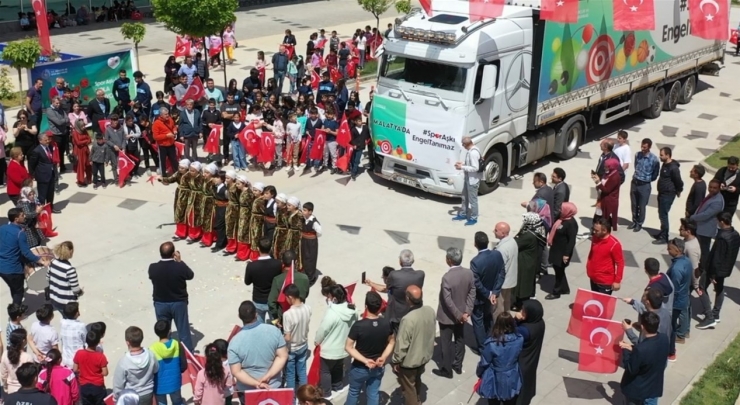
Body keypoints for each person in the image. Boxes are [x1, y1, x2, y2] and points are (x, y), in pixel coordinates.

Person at [228, 301, 288, 398]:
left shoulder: (234, 342)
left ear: (239, 316)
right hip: (273, 386)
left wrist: (256, 383)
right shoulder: (274, 331)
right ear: (256, 314)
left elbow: (236, 372)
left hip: (248, 392)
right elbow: (283, 356)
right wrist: (268, 376)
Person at [344, 291, 395, 405]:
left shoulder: (359, 326)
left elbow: (348, 347)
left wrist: (366, 360)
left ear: (366, 306)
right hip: (378, 366)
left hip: (360, 367)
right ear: (380, 307)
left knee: (353, 392)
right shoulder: (386, 323)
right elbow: (392, 342)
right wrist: (383, 357)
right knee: (373, 393)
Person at [434, 247, 475, 378]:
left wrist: (458, 315)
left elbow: (447, 300)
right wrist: (466, 312)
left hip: (448, 317)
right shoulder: (469, 273)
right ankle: (458, 365)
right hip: (462, 315)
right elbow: (472, 293)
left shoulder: (447, 277)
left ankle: (446, 369)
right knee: (459, 339)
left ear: (449, 260)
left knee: (446, 342)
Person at [391, 286, 435, 405]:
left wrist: (396, 360)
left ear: (407, 298)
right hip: (424, 356)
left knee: (409, 388)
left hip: (410, 361)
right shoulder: (430, 310)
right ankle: (418, 399)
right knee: (417, 379)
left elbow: (402, 344)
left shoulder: (408, 319)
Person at [696, 212, 740, 329]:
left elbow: (717, 257)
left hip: (714, 270)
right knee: (719, 288)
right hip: (725, 270)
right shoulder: (735, 234)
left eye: (718, 221)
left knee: (701, 288)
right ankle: (716, 313)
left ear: (722, 222)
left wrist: (712, 275)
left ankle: (709, 317)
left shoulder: (722, 237)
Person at [148, 242, 194, 351]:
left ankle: (166, 352)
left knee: (164, 332)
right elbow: (190, 275)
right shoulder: (179, 267)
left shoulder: (153, 268)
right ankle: (188, 355)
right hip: (178, 303)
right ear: (173, 253)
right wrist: (180, 261)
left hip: (160, 304)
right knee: (183, 331)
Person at [315, 283, 357, 399]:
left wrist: (317, 341)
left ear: (334, 298)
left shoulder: (331, 313)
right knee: (339, 367)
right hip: (344, 347)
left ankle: (327, 393)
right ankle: (338, 386)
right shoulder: (353, 310)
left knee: (326, 371)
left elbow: (323, 330)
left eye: (328, 297)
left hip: (329, 349)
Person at [619, 311, 669, 405]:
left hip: (638, 391)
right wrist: (633, 348)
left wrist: (626, 350)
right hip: (653, 388)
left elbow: (630, 368)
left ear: (642, 327)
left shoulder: (640, 349)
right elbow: (650, 352)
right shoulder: (664, 338)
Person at [0, 208, 47, 305]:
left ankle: (16, 308)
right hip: (13, 269)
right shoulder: (20, 233)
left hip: (2, 268)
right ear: (16, 219)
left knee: (14, 288)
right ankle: (16, 313)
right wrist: (40, 260)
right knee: (19, 293)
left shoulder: (2, 228)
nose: (24, 216)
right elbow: (26, 253)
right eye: (22, 215)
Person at [475, 312, 524, 405]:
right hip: (513, 374)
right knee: (511, 400)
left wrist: (479, 373)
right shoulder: (519, 339)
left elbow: (484, 362)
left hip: (495, 376)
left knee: (493, 401)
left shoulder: (492, 343)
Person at [374, 249, 425, 333]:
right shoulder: (420, 274)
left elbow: (388, 287)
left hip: (398, 315)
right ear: (413, 261)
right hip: (415, 313)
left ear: (400, 261)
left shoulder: (394, 275)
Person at [470, 232, 505, 351]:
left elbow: (477, 282)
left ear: (475, 244)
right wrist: (494, 292)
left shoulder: (475, 262)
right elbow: (501, 273)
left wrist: (489, 293)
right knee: (488, 316)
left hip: (480, 297)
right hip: (492, 296)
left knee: (478, 320)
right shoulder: (497, 254)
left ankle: (482, 347)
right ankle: (490, 339)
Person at [112, 326, 159, 405]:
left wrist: (117, 399)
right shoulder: (150, 355)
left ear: (127, 342)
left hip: (131, 397)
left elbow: (118, 385)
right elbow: (156, 369)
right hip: (148, 394)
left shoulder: (123, 361)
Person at [665, 238, 692, 361]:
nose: (667, 250)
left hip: (675, 302)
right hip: (683, 297)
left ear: (677, 250)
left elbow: (672, 288)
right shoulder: (686, 261)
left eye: (669, 248)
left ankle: (671, 351)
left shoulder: (676, 269)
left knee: (670, 327)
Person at [244, 237, 282, 323]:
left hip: (258, 300)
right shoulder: (277, 264)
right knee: (275, 325)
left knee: (259, 325)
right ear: (271, 249)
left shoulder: (252, 265)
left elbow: (247, 282)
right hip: (273, 300)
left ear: (258, 249)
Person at [689, 179, 725, 270]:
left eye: (714, 188)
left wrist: (693, 217)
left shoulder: (718, 201)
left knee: (704, 250)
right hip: (700, 226)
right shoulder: (711, 195)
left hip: (706, 229)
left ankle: (703, 269)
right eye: (710, 187)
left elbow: (706, 214)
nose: (711, 189)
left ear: (719, 188)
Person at [282, 284, 312, 392]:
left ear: (290, 297)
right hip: (303, 345)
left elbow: (288, 337)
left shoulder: (287, 315)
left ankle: (291, 400)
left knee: (290, 375)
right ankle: (305, 396)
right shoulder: (308, 308)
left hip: (292, 349)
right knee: (302, 372)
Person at [149, 320, 187, 405]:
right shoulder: (177, 344)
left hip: (159, 385)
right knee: (178, 402)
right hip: (175, 382)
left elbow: (151, 369)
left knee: (161, 403)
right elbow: (184, 365)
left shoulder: (152, 348)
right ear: (169, 331)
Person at [546, 202, 578, 299]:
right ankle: (564, 288)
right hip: (556, 249)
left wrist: (566, 254)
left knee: (559, 272)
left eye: (562, 209)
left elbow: (571, 241)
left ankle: (556, 292)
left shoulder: (571, 224)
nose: (560, 210)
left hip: (562, 253)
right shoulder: (562, 219)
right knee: (559, 270)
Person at [515, 301, 545, 405]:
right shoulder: (540, 323)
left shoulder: (525, 330)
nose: (521, 312)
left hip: (521, 361)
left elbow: (510, 333)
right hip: (531, 360)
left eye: (524, 311)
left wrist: (515, 320)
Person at [513, 213, 544, 310]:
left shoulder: (528, 235)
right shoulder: (535, 230)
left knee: (523, 284)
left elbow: (515, 243)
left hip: (525, 263)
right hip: (529, 260)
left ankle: (521, 305)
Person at [586, 217, 624, 295]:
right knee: (595, 302)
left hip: (604, 282)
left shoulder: (614, 244)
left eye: (596, 230)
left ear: (604, 231)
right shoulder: (595, 238)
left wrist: (617, 281)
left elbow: (620, 263)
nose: (594, 232)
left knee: (603, 305)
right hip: (593, 278)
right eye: (594, 229)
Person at [629, 138, 660, 232]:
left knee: (642, 206)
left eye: (645, 147)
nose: (642, 148)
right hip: (635, 182)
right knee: (634, 204)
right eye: (642, 146)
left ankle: (639, 223)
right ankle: (634, 221)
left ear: (649, 147)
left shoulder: (654, 159)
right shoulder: (637, 155)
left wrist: (647, 179)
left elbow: (655, 173)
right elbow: (636, 166)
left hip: (644, 185)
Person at [654, 147, 683, 244]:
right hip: (662, 193)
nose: (660, 156)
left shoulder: (673, 168)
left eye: (662, 155)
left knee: (663, 215)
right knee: (661, 214)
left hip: (668, 195)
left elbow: (679, 181)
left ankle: (664, 236)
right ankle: (662, 232)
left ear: (667, 155)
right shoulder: (665, 164)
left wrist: (679, 190)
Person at [73, 330, 109, 405]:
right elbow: (105, 373)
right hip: (98, 386)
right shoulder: (101, 356)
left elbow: (75, 369)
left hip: (84, 386)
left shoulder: (79, 353)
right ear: (98, 342)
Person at [453, 136, 482, 226]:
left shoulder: (473, 153)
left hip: (473, 180)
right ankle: (463, 214)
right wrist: (462, 163)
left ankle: (474, 218)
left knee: (473, 200)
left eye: (463, 144)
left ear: (465, 144)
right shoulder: (473, 150)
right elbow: (471, 163)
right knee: (464, 197)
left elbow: (475, 168)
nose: (462, 145)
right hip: (468, 178)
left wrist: (461, 167)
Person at [48, 241, 83, 313]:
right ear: (70, 251)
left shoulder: (52, 263)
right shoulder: (70, 270)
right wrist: (80, 292)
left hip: (54, 299)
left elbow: (47, 278)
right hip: (66, 303)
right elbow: (75, 289)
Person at [28, 133, 59, 212]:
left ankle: (50, 208)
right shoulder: (36, 151)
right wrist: (34, 175)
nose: (48, 141)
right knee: (42, 195)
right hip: (42, 176)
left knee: (50, 193)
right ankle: (41, 210)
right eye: (45, 140)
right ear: (40, 141)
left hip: (51, 174)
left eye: (48, 139)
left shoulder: (50, 147)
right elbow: (31, 164)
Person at [0, 329, 35, 394]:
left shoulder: (5, 354)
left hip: (10, 390)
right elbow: (31, 376)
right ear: (23, 341)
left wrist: (5, 388)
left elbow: (3, 375)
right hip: (25, 391)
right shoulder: (28, 357)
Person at [494, 222, 518, 313]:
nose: (494, 231)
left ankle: (499, 325)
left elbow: (500, 267)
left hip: (502, 283)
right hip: (510, 280)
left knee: (499, 307)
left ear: (503, 233)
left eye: (496, 230)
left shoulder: (502, 248)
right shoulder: (512, 241)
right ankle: (507, 323)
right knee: (507, 304)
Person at [593, 158, 622, 231]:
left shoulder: (615, 177)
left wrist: (598, 182)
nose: (604, 167)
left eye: (606, 166)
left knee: (603, 219)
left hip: (609, 201)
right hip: (602, 199)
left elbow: (607, 190)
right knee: (598, 216)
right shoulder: (608, 173)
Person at [151, 107, 179, 176]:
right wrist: (166, 136)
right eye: (165, 114)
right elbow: (155, 137)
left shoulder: (170, 119)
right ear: (161, 115)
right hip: (162, 146)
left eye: (168, 114)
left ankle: (176, 174)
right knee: (162, 162)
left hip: (171, 144)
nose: (167, 115)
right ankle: (164, 177)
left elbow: (173, 126)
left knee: (174, 160)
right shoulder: (156, 123)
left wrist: (175, 130)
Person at [46, 97, 71, 173]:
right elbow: (58, 122)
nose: (58, 104)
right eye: (56, 103)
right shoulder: (49, 111)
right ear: (52, 102)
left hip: (63, 132)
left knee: (62, 150)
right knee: (56, 151)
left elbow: (68, 119)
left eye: (59, 103)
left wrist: (64, 120)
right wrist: (64, 121)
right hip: (56, 133)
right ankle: (56, 167)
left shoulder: (61, 109)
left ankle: (62, 166)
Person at [59, 302, 86, 369]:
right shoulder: (81, 326)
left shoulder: (62, 323)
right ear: (76, 313)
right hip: (77, 362)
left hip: (65, 360)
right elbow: (85, 341)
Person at [300, 202, 322, 286]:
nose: (303, 211)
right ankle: (305, 274)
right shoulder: (303, 219)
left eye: (305, 210)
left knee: (310, 259)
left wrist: (311, 237)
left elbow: (319, 232)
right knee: (304, 257)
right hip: (304, 241)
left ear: (310, 212)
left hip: (311, 242)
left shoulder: (314, 222)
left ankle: (310, 278)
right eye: (303, 209)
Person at [71, 119, 92, 187]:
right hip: (79, 151)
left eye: (84, 125)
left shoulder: (85, 131)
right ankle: (80, 180)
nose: (83, 127)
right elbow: (78, 142)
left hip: (86, 149)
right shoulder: (75, 132)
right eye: (82, 126)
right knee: (81, 165)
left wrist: (84, 142)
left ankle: (89, 178)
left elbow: (90, 140)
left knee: (88, 164)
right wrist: (85, 141)